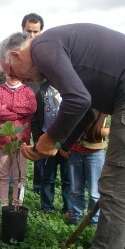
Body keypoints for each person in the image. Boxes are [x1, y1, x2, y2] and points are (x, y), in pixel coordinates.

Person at [0, 23, 125, 249]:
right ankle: (120, 247)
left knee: (116, 191)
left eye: (15, 73)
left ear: (16, 55)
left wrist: (48, 139)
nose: (23, 80)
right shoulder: (54, 49)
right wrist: (61, 145)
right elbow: (88, 112)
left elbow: (78, 100)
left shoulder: (42, 47)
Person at [0, 13, 44, 193]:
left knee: (39, 143)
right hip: (19, 119)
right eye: (29, 31)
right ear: (22, 30)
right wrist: (15, 108)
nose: (32, 35)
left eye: (36, 31)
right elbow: (2, 93)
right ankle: (12, 182)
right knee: (14, 143)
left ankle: (38, 186)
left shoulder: (43, 55)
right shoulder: (14, 52)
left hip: (39, 108)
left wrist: (10, 107)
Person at [0, 73, 36, 206]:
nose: (14, 76)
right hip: (2, 141)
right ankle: (2, 203)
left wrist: (8, 105)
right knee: (2, 175)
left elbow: (32, 108)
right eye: (10, 74)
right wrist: (20, 114)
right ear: (5, 73)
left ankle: (18, 203)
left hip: (21, 141)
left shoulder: (28, 91)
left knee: (20, 176)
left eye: (17, 73)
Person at [31, 80, 72, 217]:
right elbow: (35, 118)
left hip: (66, 144)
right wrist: (38, 139)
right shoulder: (42, 92)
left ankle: (69, 208)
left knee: (68, 178)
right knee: (47, 177)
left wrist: (66, 145)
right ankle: (47, 207)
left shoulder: (70, 90)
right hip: (47, 140)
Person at [68, 110, 109, 226]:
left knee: (94, 192)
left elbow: (117, 125)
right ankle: (76, 217)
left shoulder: (103, 105)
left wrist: (101, 132)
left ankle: (93, 221)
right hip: (75, 150)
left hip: (94, 152)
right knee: (75, 189)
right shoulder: (80, 102)